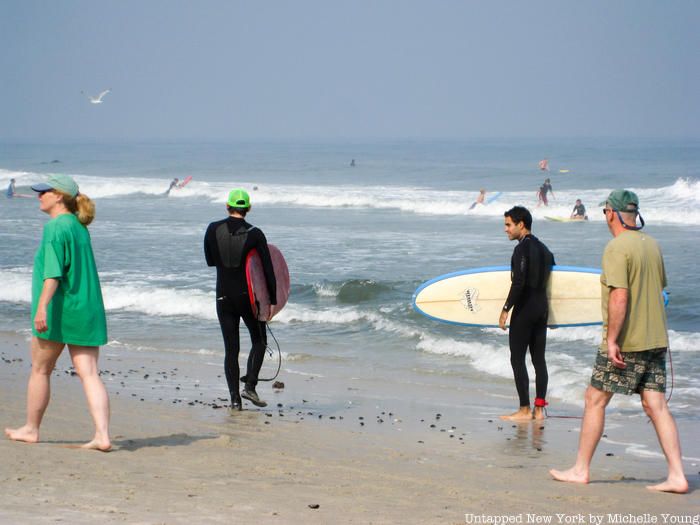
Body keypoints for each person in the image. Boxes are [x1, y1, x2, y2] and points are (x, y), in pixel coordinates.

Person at [550, 190, 688, 494]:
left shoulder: (616, 248)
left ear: (611, 213)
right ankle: (677, 475)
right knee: (656, 405)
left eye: (604, 212)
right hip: (656, 340)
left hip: (628, 341)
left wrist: (612, 340)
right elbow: (659, 290)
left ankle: (580, 469)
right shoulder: (652, 245)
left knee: (594, 399)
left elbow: (620, 295)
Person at [5, 174, 111, 451]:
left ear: (59, 196)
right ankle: (102, 435)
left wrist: (41, 306)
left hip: (59, 309)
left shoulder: (55, 228)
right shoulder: (79, 226)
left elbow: (53, 273)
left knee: (40, 370)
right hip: (87, 308)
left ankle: (31, 429)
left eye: (44, 192)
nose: (39, 196)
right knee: (90, 373)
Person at [204, 188, 277, 410]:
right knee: (260, 340)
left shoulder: (212, 229)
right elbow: (267, 270)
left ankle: (235, 401)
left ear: (227, 206)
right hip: (247, 298)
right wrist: (272, 301)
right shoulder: (255, 233)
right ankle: (250, 386)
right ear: (248, 209)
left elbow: (210, 261)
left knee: (231, 350)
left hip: (222, 296)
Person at [499, 206, 555, 421]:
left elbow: (519, 282)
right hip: (541, 309)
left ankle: (524, 409)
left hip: (525, 310)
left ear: (521, 224)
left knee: (517, 359)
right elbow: (554, 281)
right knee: (539, 360)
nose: (505, 229)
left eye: (508, 225)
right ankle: (539, 409)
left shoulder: (521, 250)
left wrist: (505, 309)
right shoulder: (545, 249)